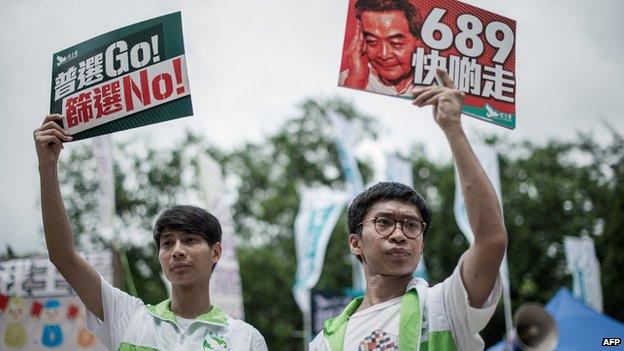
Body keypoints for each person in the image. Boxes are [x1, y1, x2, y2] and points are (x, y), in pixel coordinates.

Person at [311, 68, 507, 350]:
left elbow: (491, 239)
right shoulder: (326, 342)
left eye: (412, 225)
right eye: (384, 222)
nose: (399, 234)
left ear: (422, 243)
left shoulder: (444, 306)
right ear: (355, 242)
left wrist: (453, 127)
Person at [33, 117, 268, 350]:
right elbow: (63, 257)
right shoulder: (128, 317)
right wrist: (47, 166)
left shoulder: (244, 339)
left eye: (190, 240)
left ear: (216, 252)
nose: (177, 251)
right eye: (167, 243)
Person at [339, 0, 421, 97]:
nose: (384, 55)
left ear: (418, 41)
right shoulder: (349, 78)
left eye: (396, 43)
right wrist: (357, 81)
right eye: (372, 41)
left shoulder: (438, 81)